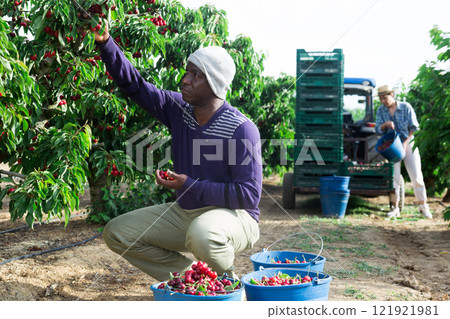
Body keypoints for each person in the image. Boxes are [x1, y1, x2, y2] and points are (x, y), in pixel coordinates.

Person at [93, 22, 262, 281]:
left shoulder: (241, 129)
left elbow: (249, 196)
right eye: (187, 72)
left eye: (196, 75)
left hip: (236, 218)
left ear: (215, 83)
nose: (185, 80)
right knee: (118, 232)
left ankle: (228, 284)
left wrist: (190, 184)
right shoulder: (179, 109)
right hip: (187, 212)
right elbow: (136, 86)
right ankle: (194, 280)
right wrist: (106, 43)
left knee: (203, 233)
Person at [375, 85, 432, 219]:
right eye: (381, 99)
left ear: (392, 94)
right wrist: (385, 125)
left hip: (408, 142)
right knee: (394, 177)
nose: (384, 101)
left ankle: (423, 206)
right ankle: (394, 207)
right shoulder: (381, 110)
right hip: (392, 146)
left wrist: (405, 143)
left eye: (385, 97)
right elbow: (377, 129)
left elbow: (414, 127)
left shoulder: (406, 107)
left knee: (416, 175)